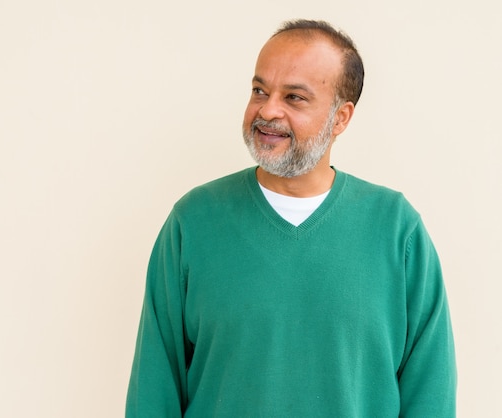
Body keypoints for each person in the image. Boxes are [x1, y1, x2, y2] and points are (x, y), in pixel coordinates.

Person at [126, 19, 457, 417]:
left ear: (341, 118)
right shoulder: (194, 222)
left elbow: (430, 394)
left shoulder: (397, 230)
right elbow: (153, 390)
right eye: (259, 90)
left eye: (294, 97)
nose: (268, 110)